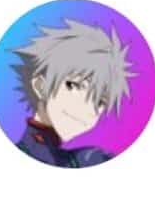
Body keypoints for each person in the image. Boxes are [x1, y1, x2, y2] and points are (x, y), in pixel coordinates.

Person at [10, 19, 134, 167]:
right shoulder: (88, 160)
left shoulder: (92, 160)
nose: (86, 107)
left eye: (100, 101)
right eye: (73, 86)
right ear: (40, 86)